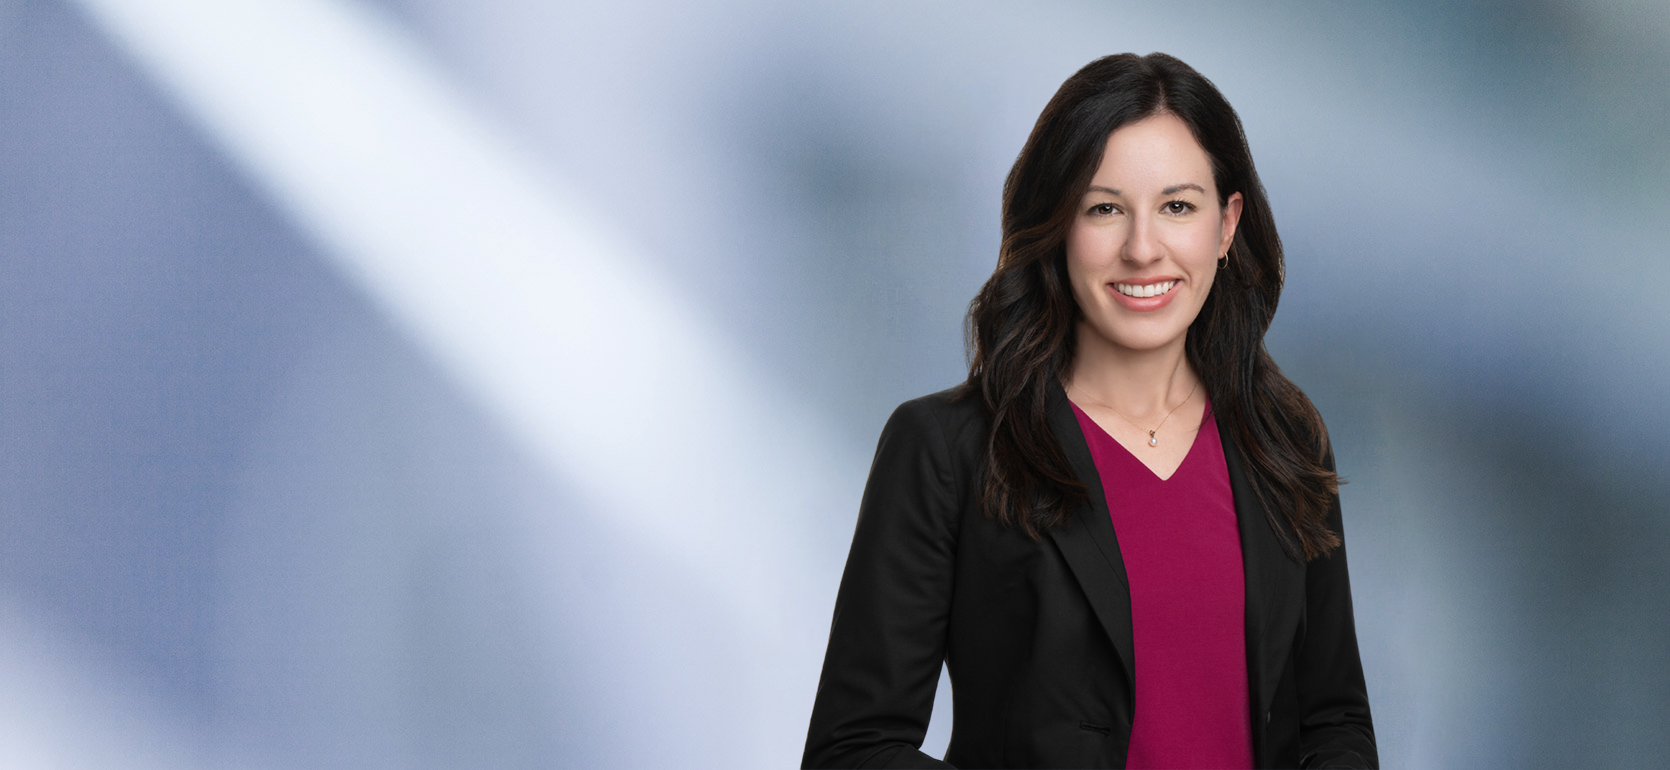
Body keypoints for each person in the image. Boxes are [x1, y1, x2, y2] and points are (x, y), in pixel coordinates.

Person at [801, 53, 1377, 769]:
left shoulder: (1283, 441)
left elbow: (1336, 723)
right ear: (1057, 226)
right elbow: (854, 750)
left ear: (1226, 226)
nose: (1142, 249)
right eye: (1104, 208)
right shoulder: (947, 451)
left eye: (1177, 206)